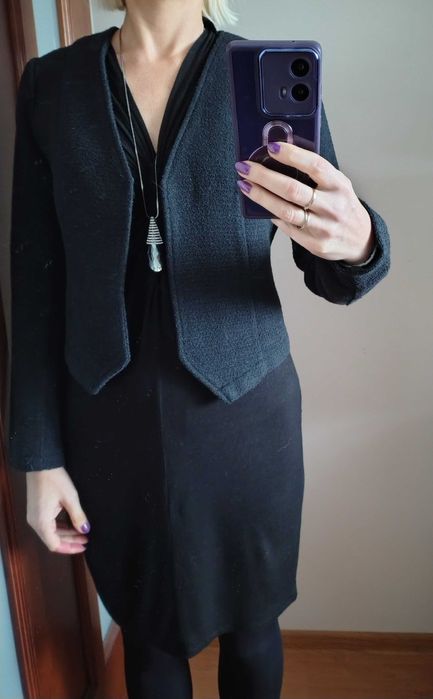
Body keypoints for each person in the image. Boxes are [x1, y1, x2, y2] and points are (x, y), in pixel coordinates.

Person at [7, 0, 390, 697]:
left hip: (244, 413)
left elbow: (331, 266)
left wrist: (359, 240)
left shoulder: (266, 76)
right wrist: (39, 455)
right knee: (148, 633)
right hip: (106, 421)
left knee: (254, 624)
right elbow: (35, 285)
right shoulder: (52, 86)